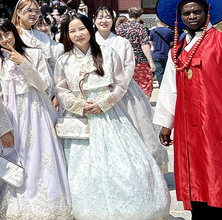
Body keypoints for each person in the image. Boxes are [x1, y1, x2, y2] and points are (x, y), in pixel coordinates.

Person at [154, 0, 222, 218]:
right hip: (188, 128)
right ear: (179, 16)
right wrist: (166, 123)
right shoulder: (176, 50)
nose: (192, 16)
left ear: (206, 13)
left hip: (218, 122)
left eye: (196, 12)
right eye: (186, 13)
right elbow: (170, 89)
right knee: (196, 177)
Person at [55, 13, 170, 219]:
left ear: (90, 29)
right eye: (72, 31)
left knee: (126, 165)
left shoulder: (108, 54)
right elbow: (61, 89)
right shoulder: (64, 60)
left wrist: (104, 103)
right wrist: (79, 105)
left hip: (110, 113)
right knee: (82, 168)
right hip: (80, 117)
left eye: (81, 29)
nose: (78, 34)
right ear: (66, 35)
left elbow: (121, 83)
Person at [0, 18, 73, 220]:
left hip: (36, 112)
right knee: (12, 157)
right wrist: (3, 128)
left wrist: (23, 63)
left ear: (14, 33)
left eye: (7, 33)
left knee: (41, 156)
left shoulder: (34, 54)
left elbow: (44, 85)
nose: (4, 39)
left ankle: (48, 204)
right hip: (9, 115)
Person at [93, 6, 168, 172]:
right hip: (97, 91)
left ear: (113, 21)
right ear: (94, 20)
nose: (104, 20)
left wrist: (117, 89)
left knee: (134, 130)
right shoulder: (90, 41)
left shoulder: (122, 42)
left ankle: (139, 169)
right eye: (100, 17)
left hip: (124, 91)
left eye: (108, 17)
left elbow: (129, 66)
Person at [11, 0, 61, 76]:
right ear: (19, 12)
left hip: (44, 81)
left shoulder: (43, 36)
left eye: (37, 11)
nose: (34, 14)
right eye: (29, 10)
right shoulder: (12, 35)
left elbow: (50, 64)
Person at [115, 7, 156, 97]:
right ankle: (143, 106)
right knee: (144, 84)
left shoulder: (120, 28)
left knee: (126, 85)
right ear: (139, 16)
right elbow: (144, 45)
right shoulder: (140, 27)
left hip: (123, 61)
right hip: (139, 60)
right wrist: (150, 61)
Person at [149, 19, 173, 86]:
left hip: (156, 54)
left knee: (159, 73)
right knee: (167, 72)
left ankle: (162, 87)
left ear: (156, 21)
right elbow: (172, 42)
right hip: (166, 54)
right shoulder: (169, 31)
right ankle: (168, 87)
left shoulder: (152, 31)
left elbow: (150, 42)